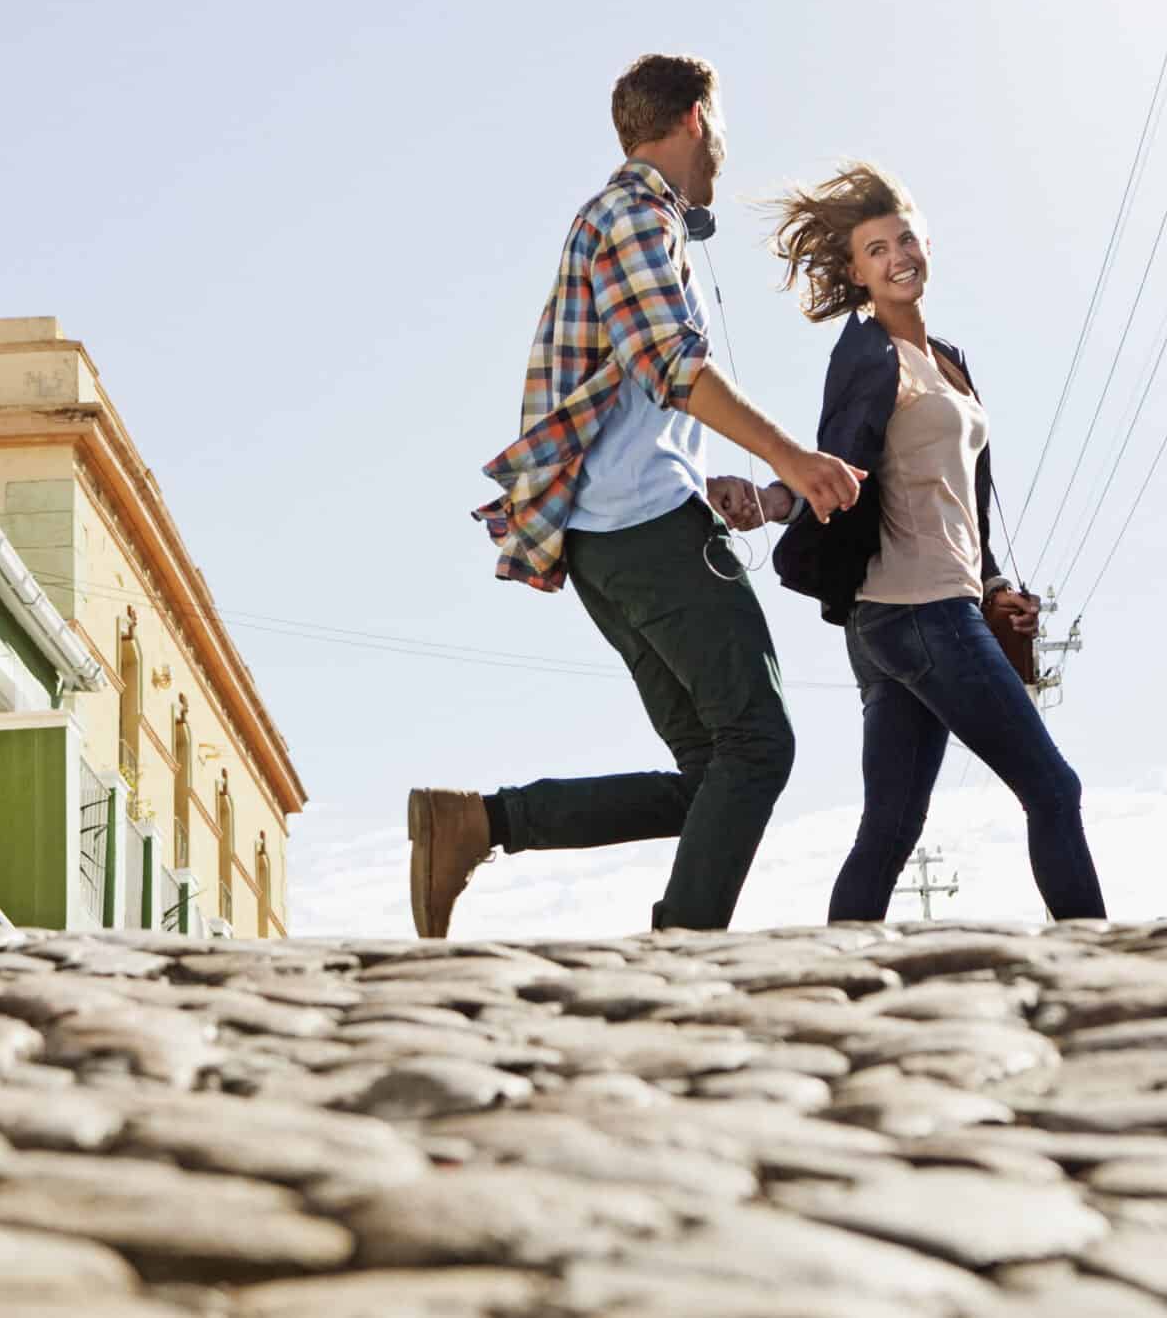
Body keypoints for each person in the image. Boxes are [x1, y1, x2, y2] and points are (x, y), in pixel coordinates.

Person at [419, 54, 866, 938]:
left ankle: (480, 824)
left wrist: (713, 479)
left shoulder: (623, 221)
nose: (724, 149)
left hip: (610, 537)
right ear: (697, 118)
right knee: (759, 745)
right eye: (721, 128)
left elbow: (627, 395)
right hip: (641, 530)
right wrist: (794, 458)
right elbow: (670, 363)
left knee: (713, 773)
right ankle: (685, 947)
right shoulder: (633, 214)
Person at [769, 162, 1107, 923]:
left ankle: (835, 978)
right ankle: (1098, 961)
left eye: (906, 239)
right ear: (857, 272)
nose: (898, 257)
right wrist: (777, 496)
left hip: (916, 612)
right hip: (917, 609)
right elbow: (840, 457)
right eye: (876, 250)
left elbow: (968, 492)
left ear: (926, 242)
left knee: (889, 827)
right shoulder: (864, 355)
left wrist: (989, 583)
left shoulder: (948, 358)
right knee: (1054, 788)